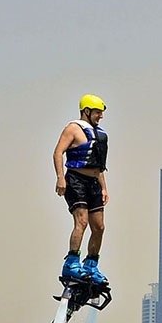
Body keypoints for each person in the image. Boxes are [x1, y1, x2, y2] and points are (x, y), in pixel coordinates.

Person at [53, 94, 110, 284]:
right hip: (76, 180)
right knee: (82, 222)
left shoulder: (99, 134)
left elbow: (98, 165)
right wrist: (61, 178)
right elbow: (58, 152)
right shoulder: (73, 129)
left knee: (99, 227)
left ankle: (91, 265)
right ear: (86, 111)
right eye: (97, 113)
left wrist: (104, 187)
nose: (100, 116)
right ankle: (71, 263)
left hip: (93, 182)